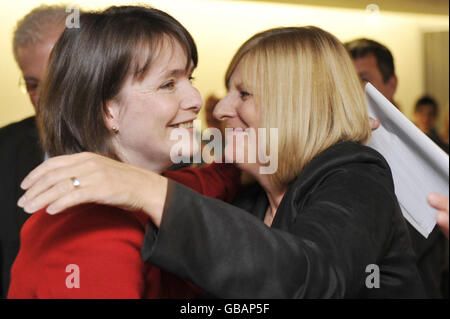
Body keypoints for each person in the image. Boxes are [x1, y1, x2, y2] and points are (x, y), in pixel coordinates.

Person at [18, 26, 426, 298]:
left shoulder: (353, 176)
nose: (218, 107)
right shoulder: (244, 192)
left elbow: (309, 275)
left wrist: (141, 187)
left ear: (294, 105)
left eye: (244, 94)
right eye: (169, 83)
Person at [8, 6, 241, 298]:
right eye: (168, 84)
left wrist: (243, 150)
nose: (195, 99)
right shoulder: (90, 234)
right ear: (110, 111)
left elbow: (215, 181)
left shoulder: (156, 188)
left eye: (189, 79)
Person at [346, 38, 449, 298]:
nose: (351, 89)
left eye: (363, 79)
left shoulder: (434, 155)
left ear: (390, 85)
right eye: (344, 79)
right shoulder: (337, 157)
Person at [0, 4, 68, 298]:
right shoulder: (5, 148)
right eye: (32, 85)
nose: (46, 98)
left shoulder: (143, 152)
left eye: (58, 80)